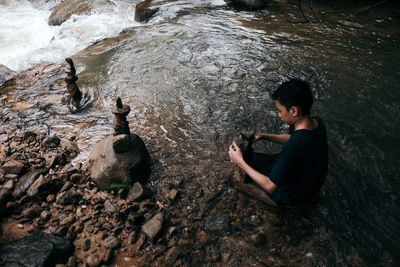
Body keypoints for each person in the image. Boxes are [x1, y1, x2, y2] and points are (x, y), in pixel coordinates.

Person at [228, 79, 328, 208]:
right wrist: (264, 136)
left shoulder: (294, 146)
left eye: (280, 110)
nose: (279, 114)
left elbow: (270, 186)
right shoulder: (316, 123)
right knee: (254, 159)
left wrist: (240, 162)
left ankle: (280, 206)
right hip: (311, 182)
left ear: (294, 111)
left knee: (243, 168)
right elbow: (293, 138)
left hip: (294, 196)